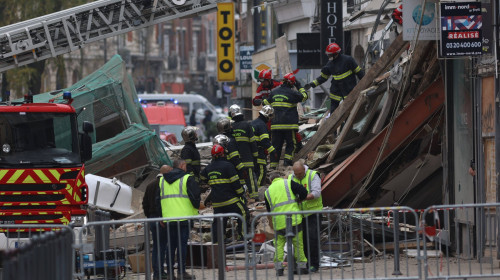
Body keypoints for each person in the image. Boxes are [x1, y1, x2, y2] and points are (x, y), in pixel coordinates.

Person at [156, 159, 204, 280]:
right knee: (182, 245)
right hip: (184, 217)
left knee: (170, 246)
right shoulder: (187, 178)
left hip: (168, 218)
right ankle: (182, 272)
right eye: (186, 166)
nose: (186, 168)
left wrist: (160, 216)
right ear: (182, 166)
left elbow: (158, 200)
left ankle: (170, 273)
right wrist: (196, 208)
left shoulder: (162, 180)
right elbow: (195, 197)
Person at [200, 144, 249, 243]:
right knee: (244, 212)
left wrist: (212, 182)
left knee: (219, 220)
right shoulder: (228, 166)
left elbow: (202, 178)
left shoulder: (208, 167)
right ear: (223, 154)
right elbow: (236, 183)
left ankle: (218, 240)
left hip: (217, 202)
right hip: (230, 199)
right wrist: (241, 193)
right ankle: (242, 236)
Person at [264, 172, 309, 276]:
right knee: (298, 244)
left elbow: (269, 210)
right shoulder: (288, 182)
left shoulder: (267, 191)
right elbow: (304, 192)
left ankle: (279, 269)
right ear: (280, 177)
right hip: (294, 219)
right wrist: (298, 200)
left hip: (279, 222)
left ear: (271, 181)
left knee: (279, 245)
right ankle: (301, 267)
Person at [304, 42, 365, 114]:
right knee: (333, 113)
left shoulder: (348, 60)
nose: (328, 56)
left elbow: (360, 73)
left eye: (329, 54)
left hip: (349, 91)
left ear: (336, 53)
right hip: (336, 93)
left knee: (350, 113)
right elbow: (323, 77)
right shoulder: (329, 65)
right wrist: (312, 84)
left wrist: (365, 84)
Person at [263, 72, 308, 167]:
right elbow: (304, 97)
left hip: (275, 126)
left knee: (275, 146)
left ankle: (273, 166)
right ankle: (287, 162)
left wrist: (261, 100)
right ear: (292, 83)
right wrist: (299, 86)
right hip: (289, 126)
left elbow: (265, 103)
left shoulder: (274, 92)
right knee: (291, 145)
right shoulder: (292, 93)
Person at [290, 160, 322, 273]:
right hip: (299, 215)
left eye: (300, 173)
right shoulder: (291, 178)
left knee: (312, 239)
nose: (298, 176)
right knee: (301, 241)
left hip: (313, 213)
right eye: (296, 174)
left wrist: (303, 198)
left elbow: (317, 192)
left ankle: (314, 264)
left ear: (304, 169)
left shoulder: (313, 175)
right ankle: (304, 264)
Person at [142, 165, 172, 280]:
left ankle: (157, 271)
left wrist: (149, 216)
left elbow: (145, 204)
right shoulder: (165, 185)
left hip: (152, 218)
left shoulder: (150, 185)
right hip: (161, 218)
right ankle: (159, 272)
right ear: (167, 173)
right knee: (162, 246)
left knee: (156, 246)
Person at [229, 104, 259, 200]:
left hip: (236, 161)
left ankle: (242, 198)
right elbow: (253, 142)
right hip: (248, 159)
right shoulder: (247, 125)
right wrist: (255, 157)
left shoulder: (231, 127)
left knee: (240, 180)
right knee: (251, 179)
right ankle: (254, 198)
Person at [251, 105, 277, 190]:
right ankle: (258, 190)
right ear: (268, 116)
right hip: (259, 151)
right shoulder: (262, 125)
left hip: (251, 152)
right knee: (262, 171)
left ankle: (251, 190)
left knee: (254, 172)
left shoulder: (253, 122)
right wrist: (273, 151)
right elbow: (265, 141)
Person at [216, 119, 248, 188]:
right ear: (227, 128)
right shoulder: (230, 140)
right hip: (232, 168)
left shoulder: (217, 139)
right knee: (239, 186)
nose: (232, 127)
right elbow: (235, 158)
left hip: (220, 168)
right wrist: (243, 169)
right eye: (230, 126)